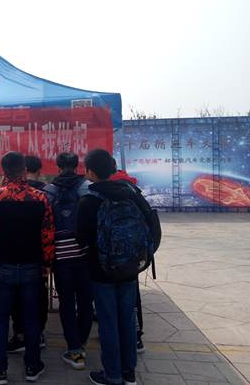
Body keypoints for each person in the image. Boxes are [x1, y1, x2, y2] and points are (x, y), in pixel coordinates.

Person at [0, 152, 55, 384]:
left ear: (3, 172)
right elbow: (47, 233)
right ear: (25, 170)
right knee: (31, 318)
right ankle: (32, 366)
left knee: (0, 318)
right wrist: (47, 263)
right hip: (32, 264)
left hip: (2, 263)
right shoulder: (41, 198)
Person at [77, 149, 141, 385]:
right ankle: (129, 373)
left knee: (108, 322)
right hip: (129, 269)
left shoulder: (88, 201)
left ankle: (112, 375)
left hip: (101, 271)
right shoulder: (130, 194)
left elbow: (81, 239)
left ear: (90, 173)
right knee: (127, 319)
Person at [43, 152, 92, 370]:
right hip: (85, 255)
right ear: (77, 165)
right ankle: (81, 343)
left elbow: (45, 226)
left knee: (66, 302)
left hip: (61, 257)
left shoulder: (48, 191)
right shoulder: (87, 188)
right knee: (85, 301)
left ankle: (74, 350)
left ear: (58, 167)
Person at [8, 155, 49, 353]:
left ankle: (19, 334)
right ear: (38, 171)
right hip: (36, 256)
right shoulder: (45, 193)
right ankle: (38, 334)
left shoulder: (2, 194)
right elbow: (48, 229)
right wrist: (47, 259)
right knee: (38, 296)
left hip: (10, 256)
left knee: (16, 298)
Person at [110, 158, 145, 353]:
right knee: (132, 296)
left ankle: (115, 337)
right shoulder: (133, 188)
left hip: (110, 259)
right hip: (132, 256)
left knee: (109, 297)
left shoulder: (103, 192)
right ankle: (136, 336)